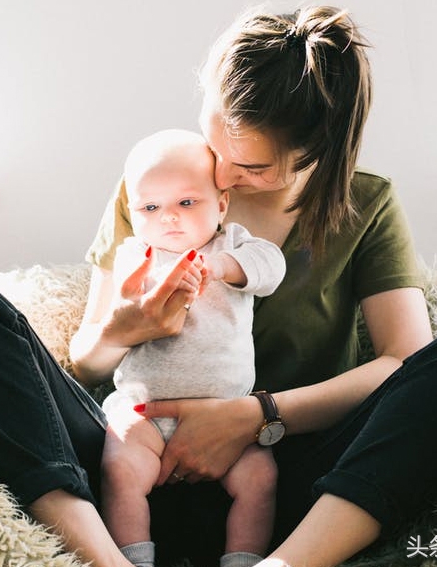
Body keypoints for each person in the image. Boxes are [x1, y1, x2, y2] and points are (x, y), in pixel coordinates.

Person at [0, 4, 437, 567]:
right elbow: (88, 365)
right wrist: (126, 330)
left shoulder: (366, 206)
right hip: (129, 467)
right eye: (216, 142)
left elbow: (403, 360)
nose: (222, 176)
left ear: (317, 153)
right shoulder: (160, 185)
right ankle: (99, 559)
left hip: (281, 488)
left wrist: (255, 417)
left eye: (251, 167)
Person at [99, 128, 285, 567]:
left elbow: (270, 268)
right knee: (118, 471)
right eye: (150, 207)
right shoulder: (138, 253)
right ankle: (132, 559)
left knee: (261, 479)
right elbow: (124, 293)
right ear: (133, 211)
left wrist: (221, 267)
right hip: (145, 412)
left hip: (228, 418)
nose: (169, 218)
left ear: (220, 205)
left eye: (186, 202)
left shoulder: (231, 245)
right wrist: (136, 290)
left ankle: (242, 560)